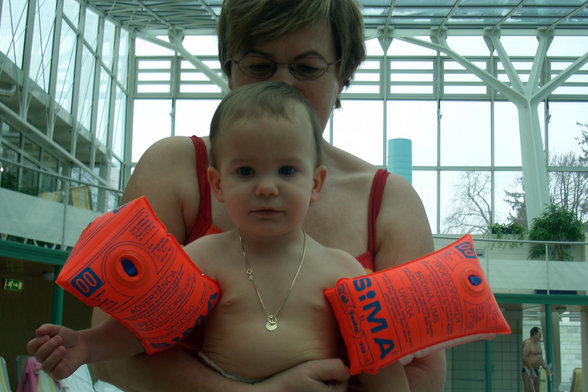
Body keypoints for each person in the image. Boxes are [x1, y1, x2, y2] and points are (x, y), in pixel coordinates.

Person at [91, 0, 447, 391]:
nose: (281, 85)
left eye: (307, 68)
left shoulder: (389, 202)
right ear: (229, 69)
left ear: (343, 73)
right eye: (259, 66)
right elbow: (112, 355)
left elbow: (423, 377)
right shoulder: (174, 168)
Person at [27, 82, 410, 392]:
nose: (266, 187)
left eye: (287, 171)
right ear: (218, 184)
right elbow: (145, 327)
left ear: (316, 182)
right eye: (245, 171)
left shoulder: (342, 270)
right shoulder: (203, 256)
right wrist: (87, 345)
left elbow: (380, 361)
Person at [521, 327, 549, 392]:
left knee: (537, 390)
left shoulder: (538, 343)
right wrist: (531, 370)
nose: (541, 337)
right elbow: (524, 357)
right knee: (529, 390)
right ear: (534, 334)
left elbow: (540, 358)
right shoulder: (527, 343)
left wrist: (546, 368)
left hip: (536, 370)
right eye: (540, 335)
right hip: (528, 370)